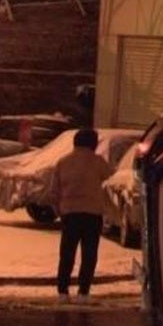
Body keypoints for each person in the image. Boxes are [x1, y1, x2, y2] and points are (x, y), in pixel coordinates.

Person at [51, 129, 113, 304]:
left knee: (67, 254)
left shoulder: (63, 162)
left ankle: (63, 291)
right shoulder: (98, 162)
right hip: (92, 214)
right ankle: (83, 292)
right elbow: (111, 178)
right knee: (89, 254)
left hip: (70, 213)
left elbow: (54, 192)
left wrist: (60, 211)